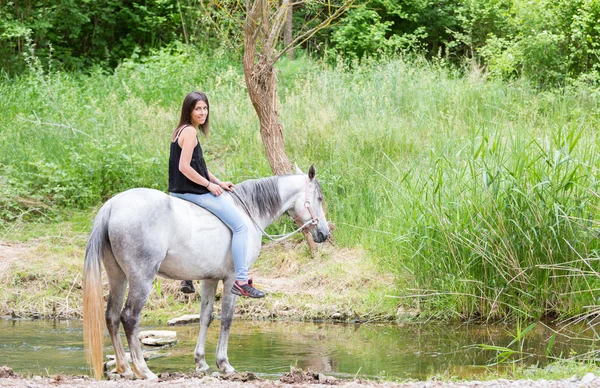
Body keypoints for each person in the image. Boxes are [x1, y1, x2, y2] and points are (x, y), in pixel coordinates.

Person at [168, 91, 265, 298]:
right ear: (189, 110)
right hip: (191, 191)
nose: (202, 113)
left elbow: (198, 165)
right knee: (239, 226)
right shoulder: (190, 133)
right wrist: (209, 186)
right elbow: (184, 167)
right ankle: (241, 280)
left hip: (177, 191)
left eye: (205, 108)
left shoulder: (180, 130)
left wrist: (218, 181)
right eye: (198, 109)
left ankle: (187, 275)